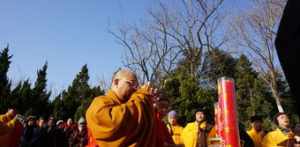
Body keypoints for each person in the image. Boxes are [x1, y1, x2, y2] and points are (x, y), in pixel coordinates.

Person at [85, 68, 168, 147]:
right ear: (116, 82)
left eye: (136, 86)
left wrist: (150, 106)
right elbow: (113, 125)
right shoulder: (100, 102)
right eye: (131, 84)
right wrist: (142, 97)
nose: (135, 89)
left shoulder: (133, 103)